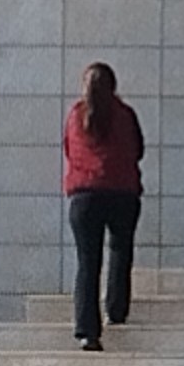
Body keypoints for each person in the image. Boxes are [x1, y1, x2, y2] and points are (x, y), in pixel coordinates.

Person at [56, 60, 149, 345]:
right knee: (121, 252)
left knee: (87, 262)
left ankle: (87, 331)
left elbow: (69, 149)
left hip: (85, 195)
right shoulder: (125, 114)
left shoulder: (76, 116)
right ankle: (116, 311)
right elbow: (138, 150)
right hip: (122, 192)